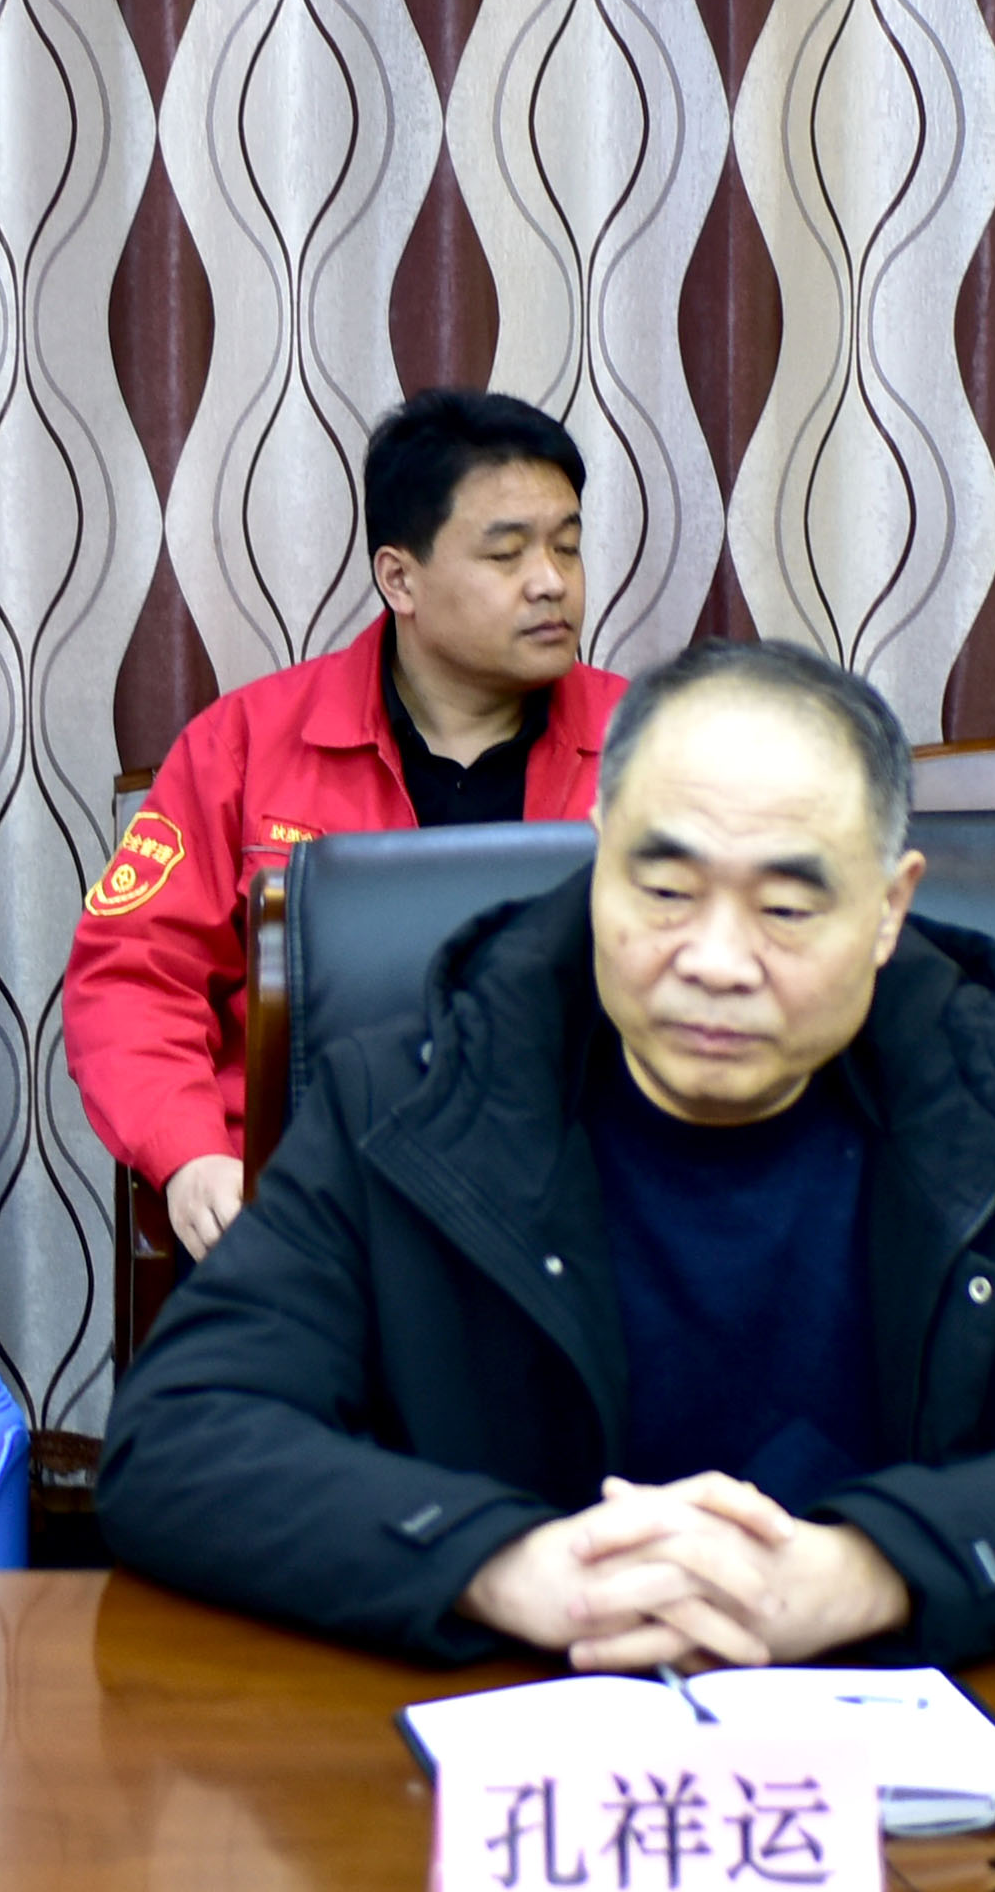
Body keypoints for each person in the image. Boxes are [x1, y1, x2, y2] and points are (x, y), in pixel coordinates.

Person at [102, 635, 995, 1667]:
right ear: (599, 856)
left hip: (889, 1751)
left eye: (786, 910)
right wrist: (503, 1565)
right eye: (663, 888)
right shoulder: (404, 1101)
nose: (715, 960)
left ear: (890, 909)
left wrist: (873, 1569)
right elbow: (180, 1439)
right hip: (517, 1732)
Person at [68, 387, 630, 1260]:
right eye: (507, 552)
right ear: (399, 578)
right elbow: (132, 978)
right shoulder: (245, 745)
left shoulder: (653, 746)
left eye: (566, 544)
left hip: (578, 1206)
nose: (552, 581)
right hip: (316, 1212)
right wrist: (191, 1156)